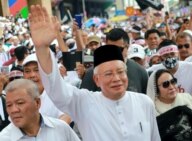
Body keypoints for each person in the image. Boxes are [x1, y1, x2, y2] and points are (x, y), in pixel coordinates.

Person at [29, 5, 160, 141]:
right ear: (96, 80)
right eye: (108, 74)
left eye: (120, 72)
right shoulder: (85, 103)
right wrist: (42, 48)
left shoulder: (145, 103)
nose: (117, 78)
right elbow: (55, 88)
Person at [0, 79, 80, 141]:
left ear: (37, 103)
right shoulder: (4, 138)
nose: (13, 110)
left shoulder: (61, 128)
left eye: (20, 103)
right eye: (9, 105)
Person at [81, 28, 149, 94]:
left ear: (127, 47)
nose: (114, 53)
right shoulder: (93, 73)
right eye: (110, 49)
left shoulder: (140, 72)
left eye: (119, 49)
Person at [147, 69, 192, 141]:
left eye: (173, 81)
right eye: (165, 84)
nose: (171, 87)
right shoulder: (152, 110)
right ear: (156, 89)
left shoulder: (186, 98)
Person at [22, 54, 71, 123]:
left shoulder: (58, 92)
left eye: (37, 70)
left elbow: (66, 116)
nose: (32, 75)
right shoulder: (20, 95)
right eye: (27, 71)